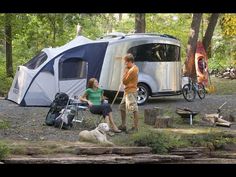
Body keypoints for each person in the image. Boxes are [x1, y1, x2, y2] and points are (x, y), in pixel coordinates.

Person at [119, 53, 139, 133]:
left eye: (126, 62)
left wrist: (125, 71)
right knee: (122, 107)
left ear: (130, 61)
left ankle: (135, 128)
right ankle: (123, 125)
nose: (125, 64)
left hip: (131, 92)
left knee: (134, 109)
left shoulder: (132, 70)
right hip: (127, 91)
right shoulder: (130, 68)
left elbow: (124, 81)